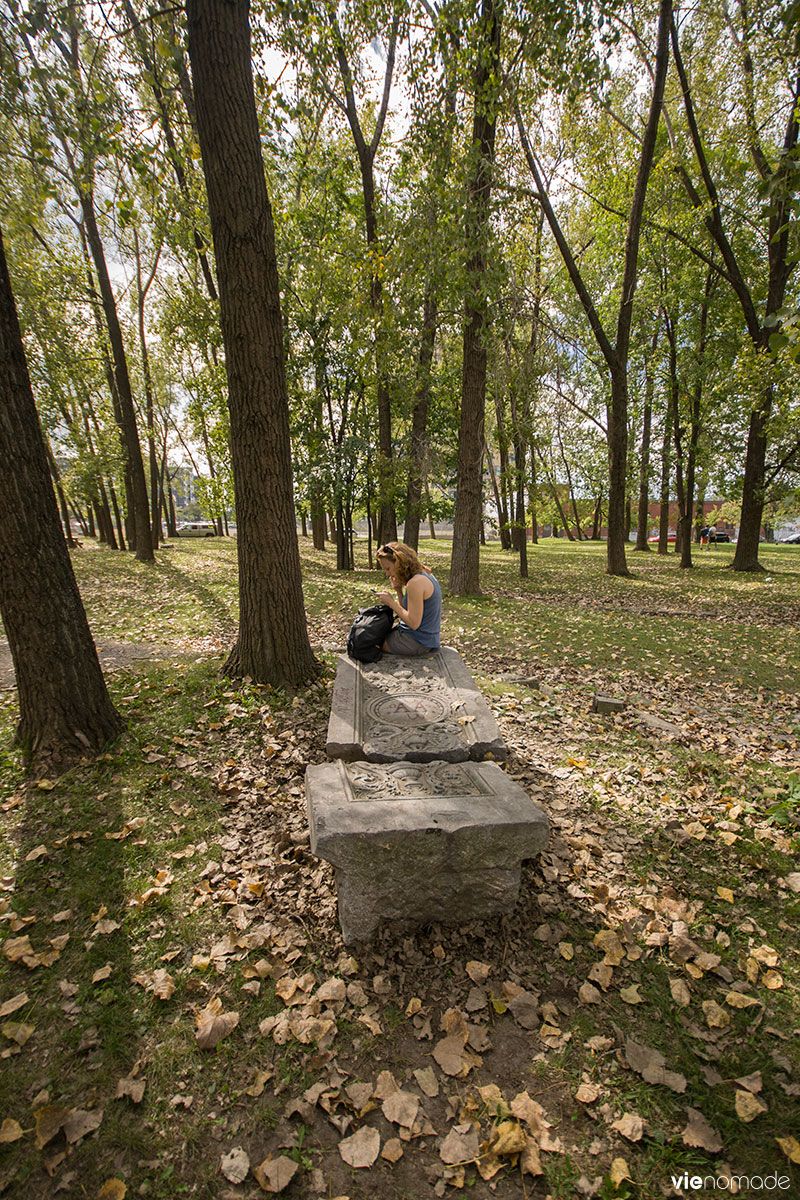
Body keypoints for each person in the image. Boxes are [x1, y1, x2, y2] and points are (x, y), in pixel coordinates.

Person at [376, 541, 442, 655]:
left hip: (418, 641)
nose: (387, 574)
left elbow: (413, 623)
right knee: (376, 630)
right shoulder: (424, 573)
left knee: (370, 640)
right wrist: (399, 591)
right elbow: (407, 612)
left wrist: (392, 603)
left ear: (399, 564)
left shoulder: (415, 583)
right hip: (424, 638)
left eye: (388, 568)